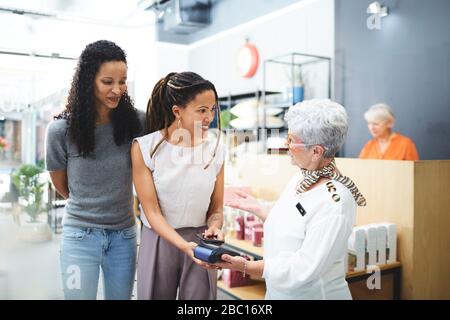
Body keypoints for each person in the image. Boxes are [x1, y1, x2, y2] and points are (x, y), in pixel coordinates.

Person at [215, 99, 367, 300]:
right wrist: (260, 209)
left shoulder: (334, 202)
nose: (285, 145)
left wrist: (245, 266)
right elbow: (295, 225)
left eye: (291, 139)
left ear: (316, 151)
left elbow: (303, 268)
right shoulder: (303, 175)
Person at [45, 40, 143, 300]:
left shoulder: (137, 123)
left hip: (123, 236)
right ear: (89, 81)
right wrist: (89, 204)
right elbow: (62, 185)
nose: (117, 89)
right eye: (107, 82)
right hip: (79, 237)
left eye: (122, 81)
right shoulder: (60, 131)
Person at [132, 71, 225, 300]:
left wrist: (215, 225)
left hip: (201, 241)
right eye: (202, 110)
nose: (209, 117)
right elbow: (152, 212)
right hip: (159, 240)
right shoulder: (145, 148)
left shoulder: (216, 150)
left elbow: (216, 207)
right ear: (177, 111)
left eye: (212, 110)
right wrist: (183, 245)